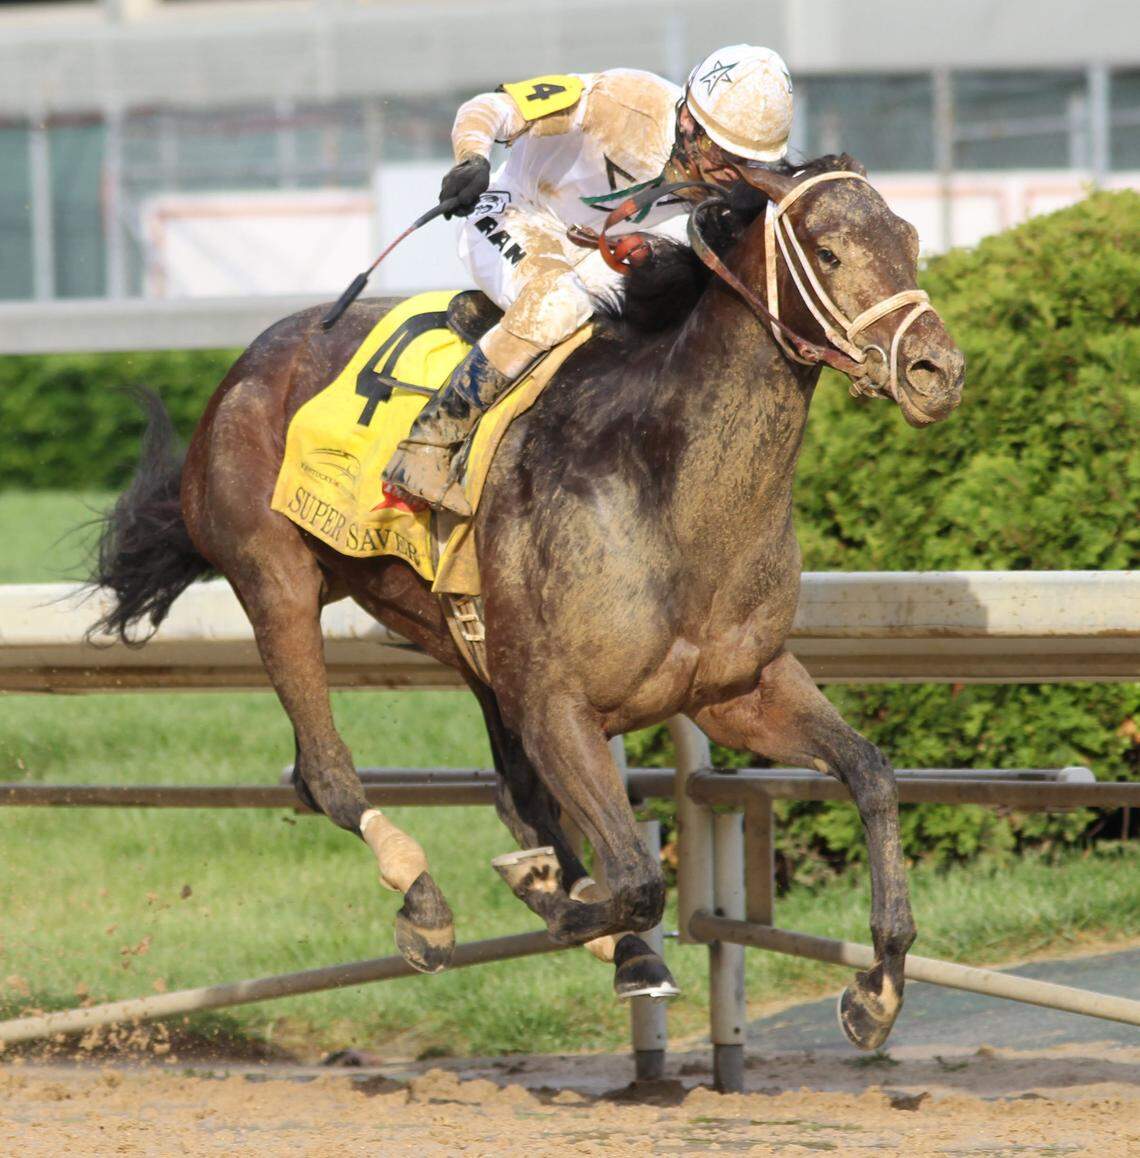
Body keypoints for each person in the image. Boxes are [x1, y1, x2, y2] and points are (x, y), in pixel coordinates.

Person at [383, 44, 795, 515]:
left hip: (597, 251)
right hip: (517, 211)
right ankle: (427, 445)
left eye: (749, 162)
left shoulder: (735, 177)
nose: (734, 175)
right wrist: (471, 158)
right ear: (688, 123)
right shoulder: (622, 99)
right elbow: (491, 107)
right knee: (559, 303)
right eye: (725, 155)